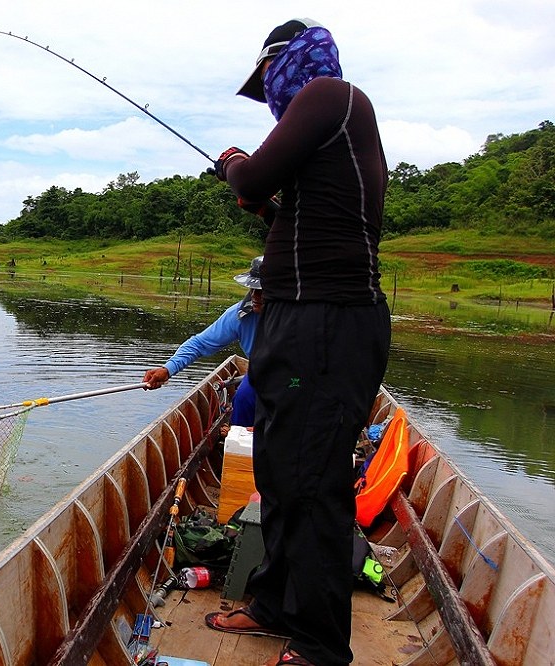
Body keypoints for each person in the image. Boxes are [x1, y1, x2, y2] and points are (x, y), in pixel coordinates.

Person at [203, 18, 392, 666]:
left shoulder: (331, 96)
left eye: (267, 85)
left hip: (329, 326)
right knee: (280, 473)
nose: (271, 99)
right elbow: (305, 223)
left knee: (312, 483)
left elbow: (251, 176)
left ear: (289, 64)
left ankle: (319, 644)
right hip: (299, 324)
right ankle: (275, 603)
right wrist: (268, 213)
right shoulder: (331, 128)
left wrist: (233, 164)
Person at [143, 257, 263, 428]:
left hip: (296, 376)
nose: (255, 296)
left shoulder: (299, 318)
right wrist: (167, 369)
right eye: (253, 289)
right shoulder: (241, 315)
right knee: (243, 398)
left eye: (262, 290)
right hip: (262, 372)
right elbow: (199, 344)